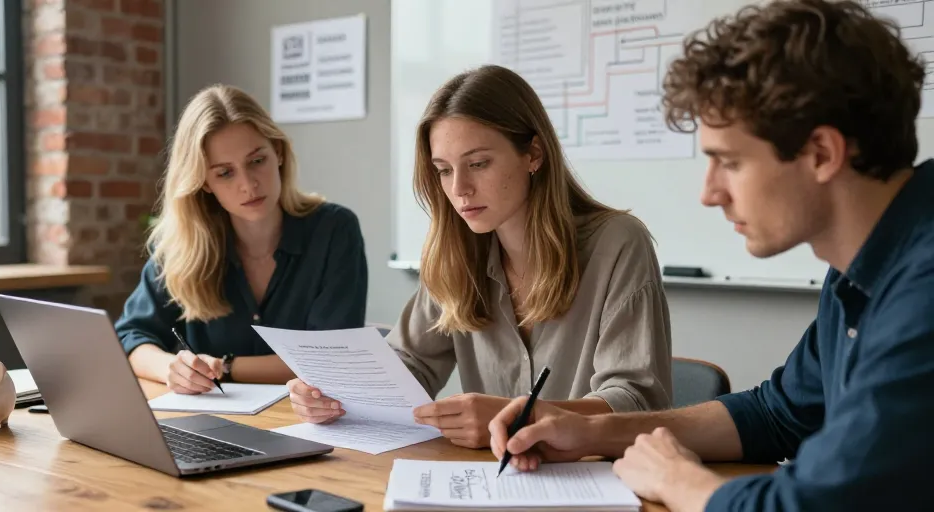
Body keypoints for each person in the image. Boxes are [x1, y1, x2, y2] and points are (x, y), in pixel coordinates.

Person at [488, 1, 934, 510]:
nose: (709, 192)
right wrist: (591, 430)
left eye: (730, 162)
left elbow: (822, 503)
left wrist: (679, 480)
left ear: (822, 154)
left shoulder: (924, 285)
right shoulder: (861, 268)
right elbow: (779, 414)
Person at [287, 64, 673, 447]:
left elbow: (637, 402)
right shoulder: (455, 253)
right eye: (443, 170)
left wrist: (524, 417)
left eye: (478, 164)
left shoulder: (618, 244)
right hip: (487, 480)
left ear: (533, 153)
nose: (459, 189)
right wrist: (329, 395)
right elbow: (409, 366)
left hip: (596, 481)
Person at [115, 84, 368, 394]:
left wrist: (223, 366)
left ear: (278, 152)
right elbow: (131, 336)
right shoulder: (180, 245)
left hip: (307, 422)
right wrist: (171, 369)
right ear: (203, 182)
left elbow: (332, 359)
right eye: (225, 173)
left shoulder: (334, 231)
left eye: (256, 161)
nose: (248, 185)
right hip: (209, 422)